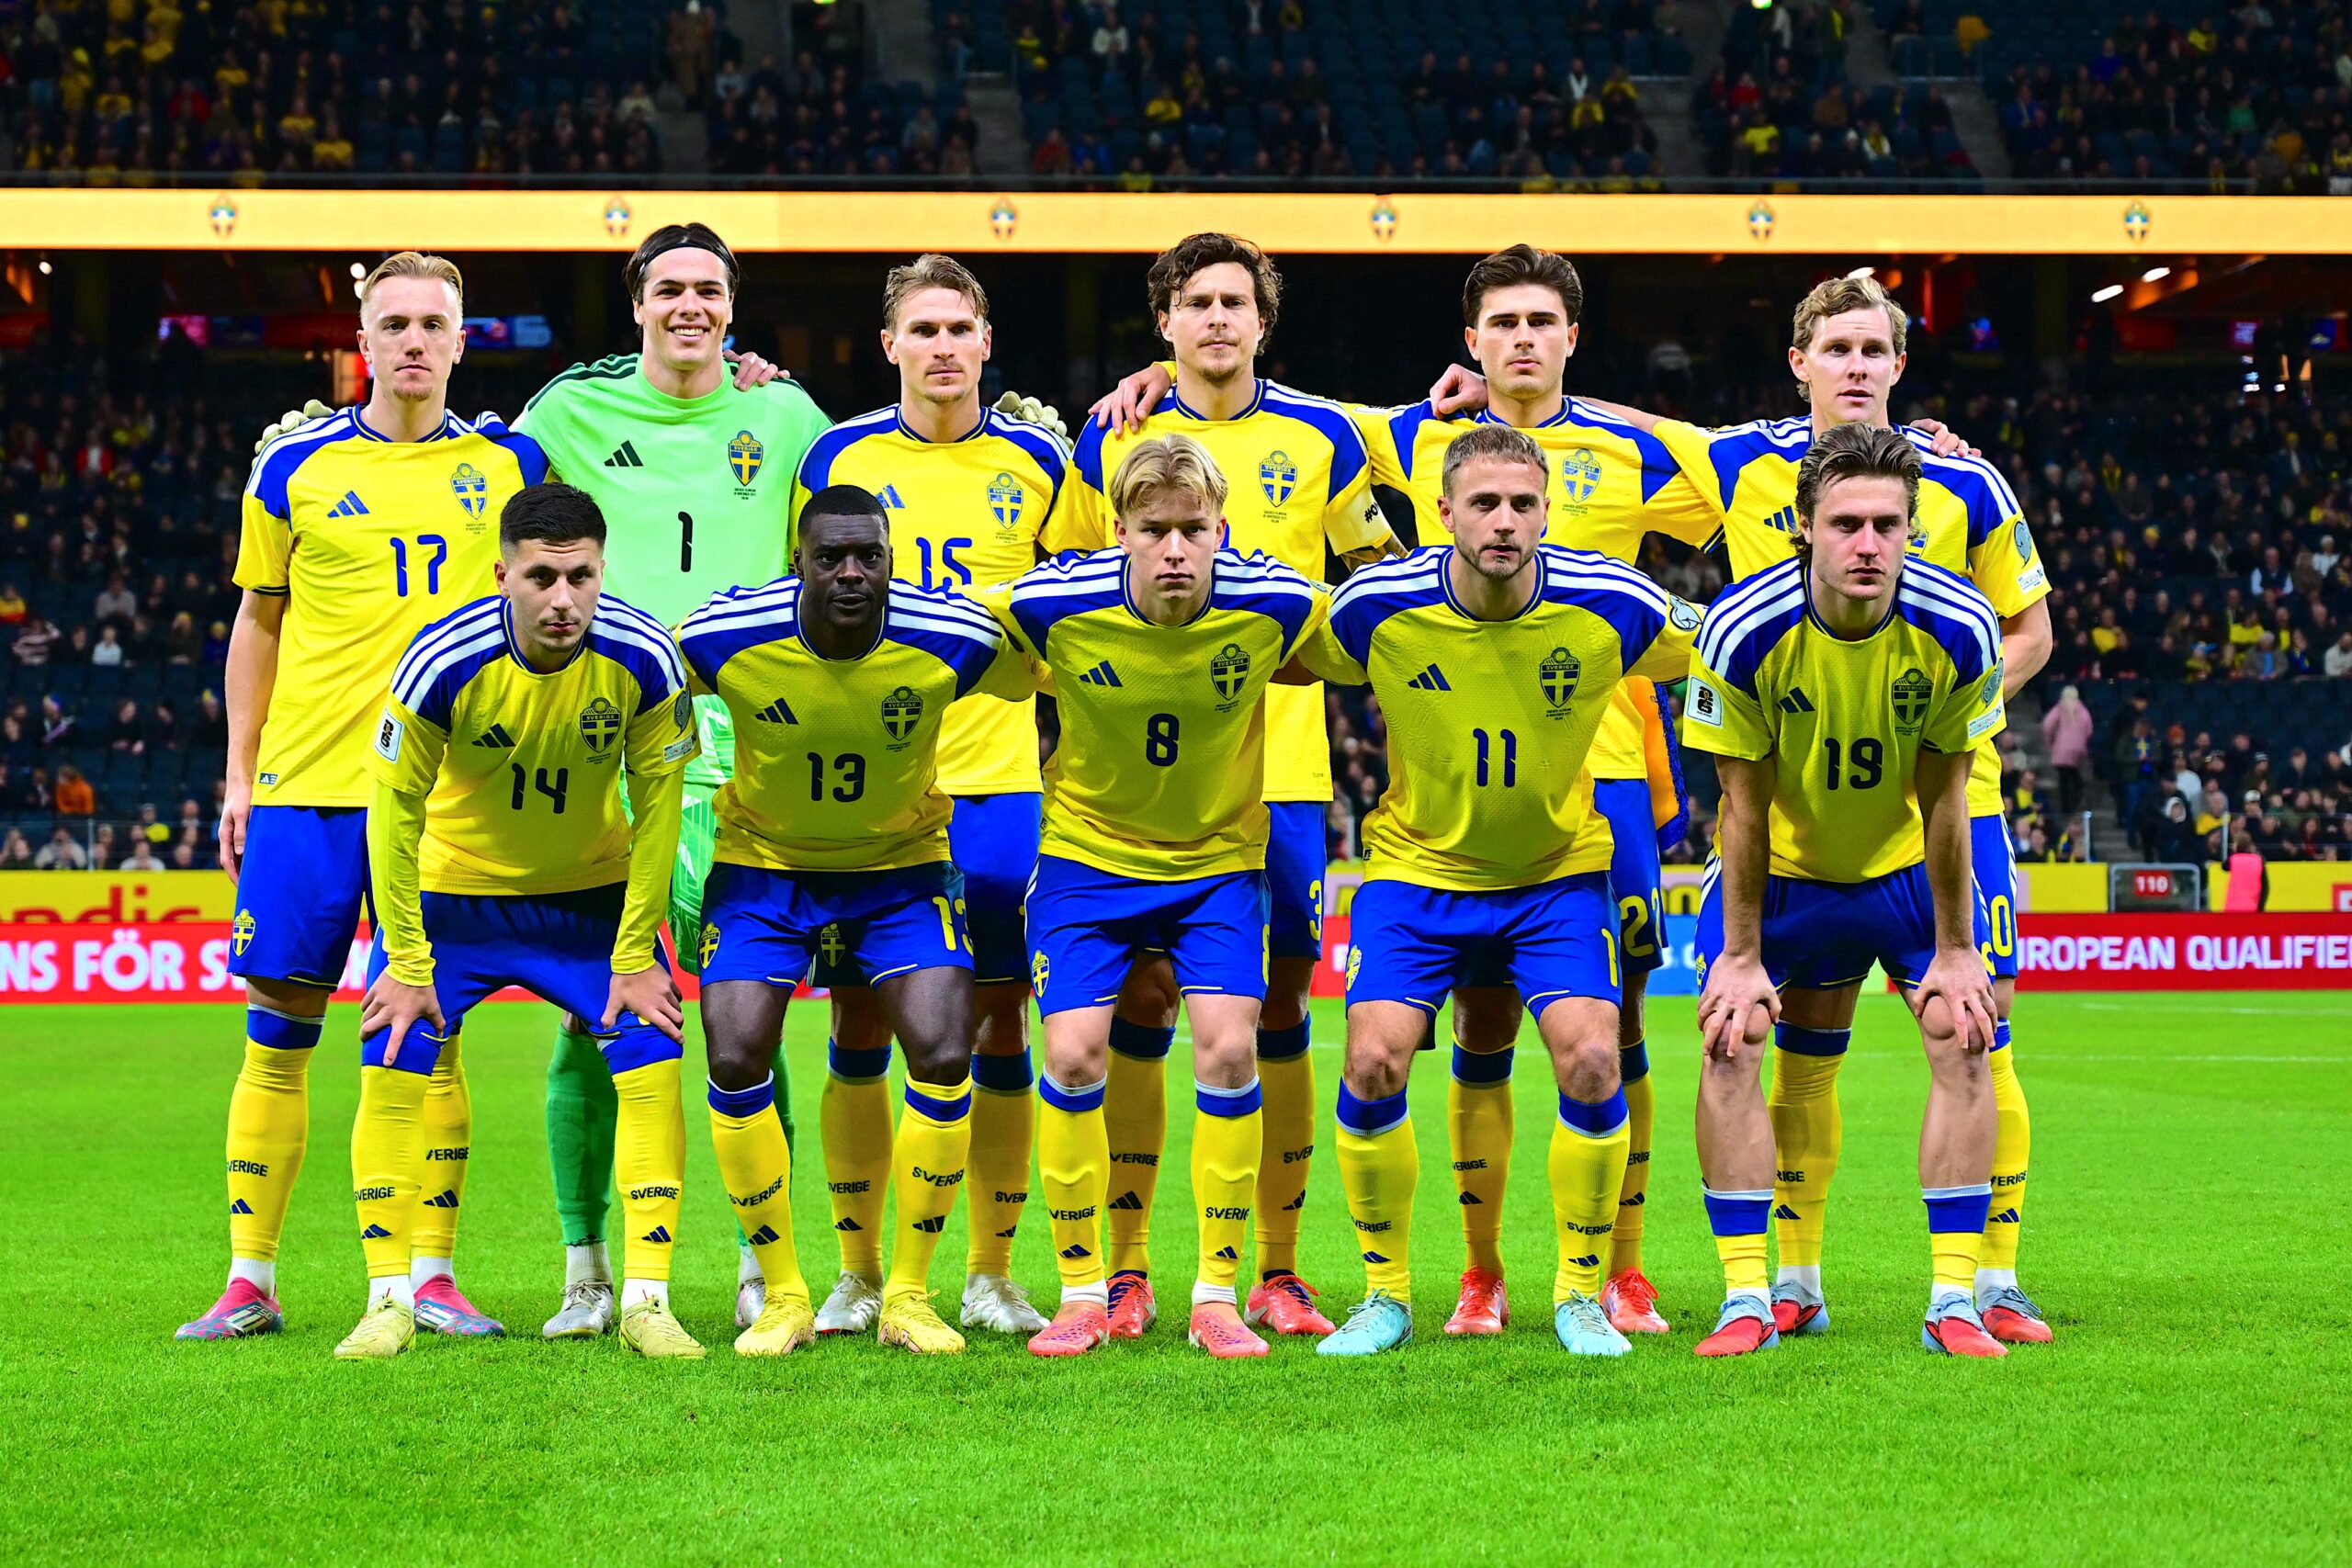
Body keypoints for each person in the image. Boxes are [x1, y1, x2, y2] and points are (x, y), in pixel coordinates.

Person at [1639, 274, 2052, 1344]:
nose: (1856, 366)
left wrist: (1943, 706)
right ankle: (1783, 1280)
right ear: (1799, 363)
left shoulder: (1966, 486)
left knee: (1981, 1034)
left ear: (1900, 364)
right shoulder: (1736, 466)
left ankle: (1988, 1280)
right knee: (1788, 1049)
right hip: (1790, 815)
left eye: (1875, 349)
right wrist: (1494, 395)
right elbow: (1607, 437)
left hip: (1946, 808)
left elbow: (2031, 631)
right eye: (1837, 348)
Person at [176, 252, 548, 1344]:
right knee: (278, 1026)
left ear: (463, 342)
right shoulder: (292, 466)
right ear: (363, 342)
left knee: (430, 1027)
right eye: (395, 324)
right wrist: (239, 775)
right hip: (309, 788)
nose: (414, 341)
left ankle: (431, 1277)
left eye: (434, 323)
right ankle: (250, 1279)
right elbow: (258, 620)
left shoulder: (512, 464)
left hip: (447, 798)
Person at [1288, 425, 1701, 1358]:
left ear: (1548, 512)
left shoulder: (1615, 602)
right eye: (1484, 503)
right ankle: (1386, 1297)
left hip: (1554, 878)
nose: (1504, 521)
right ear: (1444, 513)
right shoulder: (1379, 606)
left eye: (1522, 503)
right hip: (1416, 873)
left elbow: (1724, 645)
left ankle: (1578, 1295)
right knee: (1371, 1060)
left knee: (1593, 1059)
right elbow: (1279, 647)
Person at [1060, 231, 1402, 1339]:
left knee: (1277, 1013)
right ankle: (1123, 1271)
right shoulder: (1112, 438)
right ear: (1163, 320)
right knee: (1134, 1008)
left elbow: (1378, 577)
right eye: (1195, 302)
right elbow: (1069, 584)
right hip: (1131, 780)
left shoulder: (1323, 437)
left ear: (1263, 320)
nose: (1216, 318)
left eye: (1234, 302)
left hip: (1280, 770)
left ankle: (1276, 1271)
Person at [788, 254, 1086, 1339]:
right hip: (872, 787)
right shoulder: (837, 457)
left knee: (1000, 1021)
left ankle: (990, 1274)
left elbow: (1080, 610)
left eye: (960, 328)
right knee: (857, 1020)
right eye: (923, 330)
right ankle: (858, 1273)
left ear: (986, 341)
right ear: (889, 346)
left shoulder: (1040, 459)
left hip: (997, 781)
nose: (944, 347)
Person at [342, 483, 702, 1360]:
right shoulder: (441, 660)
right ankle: (388, 1299)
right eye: (542, 577)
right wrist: (406, 958)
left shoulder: (645, 657)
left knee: (652, 1047)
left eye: (582, 576)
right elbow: (392, 815)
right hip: (454, 897)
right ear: (503, 573)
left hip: (587, 898)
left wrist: (635, 952)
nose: (563, 598)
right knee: (394, 1049)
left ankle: (647, 1301)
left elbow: (661, 809)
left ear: (603, 570)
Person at [673, 485, 1033, 1357]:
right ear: (796, 561)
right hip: (764, 869)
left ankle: (907, 1294)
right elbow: (643, 688)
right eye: (829, 556)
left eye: (867, 556)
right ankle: (784, 1295)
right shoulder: (722, 635)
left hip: (900, 872)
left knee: (945, 1049)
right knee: (733, 1053)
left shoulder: (952, 634)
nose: (848, 573)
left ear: (891, 562)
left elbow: (1045, 658)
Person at [989, 434, 1326, 1361]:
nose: (1175, 549)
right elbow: (959, 633)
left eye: (1193, 529)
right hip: (1086, 862)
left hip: (1216, 865)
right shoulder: (1050, 604)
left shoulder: (1277, 601)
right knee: (1070, 1054)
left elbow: (1364, 635)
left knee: (1230, 1048)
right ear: (1119, 531)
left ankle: (1216, 1295)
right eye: (1153, 530)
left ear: (1223, 529)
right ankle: (1081, 1293)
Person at [1682, 422, 2007, 1359]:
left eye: (1886, 525)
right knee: (1733, 1037)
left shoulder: (1960, 624)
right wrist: (1740, 956)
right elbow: (1741, 808)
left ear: (1912, 529)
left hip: (1902, 872)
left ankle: (1954, 1300)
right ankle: (1750, 1296)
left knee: (1965, 1030)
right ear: (1804, 527)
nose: (1868, 544)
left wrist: (1957, 950)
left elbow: (1947, 798)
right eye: (1846, 524)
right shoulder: (1741, 630)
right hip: (1784, 874)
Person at [2041, 683, 2094, 817]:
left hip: (2062, 749)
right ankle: (2076, 802)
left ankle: (2066, 808)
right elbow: (2089, 729)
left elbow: (2047, 725)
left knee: (2064, 779)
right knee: (2075, 776)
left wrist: (2049, 741)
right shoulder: (2082, 709)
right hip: (2078, 749)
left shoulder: (2060, 707)